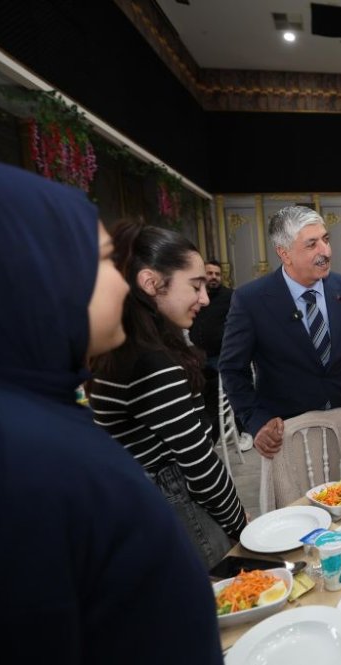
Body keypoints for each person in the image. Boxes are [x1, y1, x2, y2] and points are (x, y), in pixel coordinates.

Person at [0, 156, 223, 665]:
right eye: (102, 262)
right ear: (35, 277)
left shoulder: (22, 412)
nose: (121, 283)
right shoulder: (8, 457)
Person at [89, 221, 247, 568]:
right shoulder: (150, 361)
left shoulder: (123, 347)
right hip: (179, 514)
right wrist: (242, 528)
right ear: (151, 283)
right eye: (195, 286)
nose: (204, 298)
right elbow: (201, 467)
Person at [220, 205, 341, 459]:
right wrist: (256, 422)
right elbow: (232, 369)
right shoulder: (251, 300)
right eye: (312, 244)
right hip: (288, 437)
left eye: (326, 239)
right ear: (284, 253)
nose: (325, 251)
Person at [189, 258, 250, 447]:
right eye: (210, 273)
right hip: (198, 357)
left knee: (230, 392)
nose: (214, 277)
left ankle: (245, 431)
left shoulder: (230, 296)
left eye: (217, 274)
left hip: (221, 357)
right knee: (199, 395)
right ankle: (204, 435)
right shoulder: (195, 296)